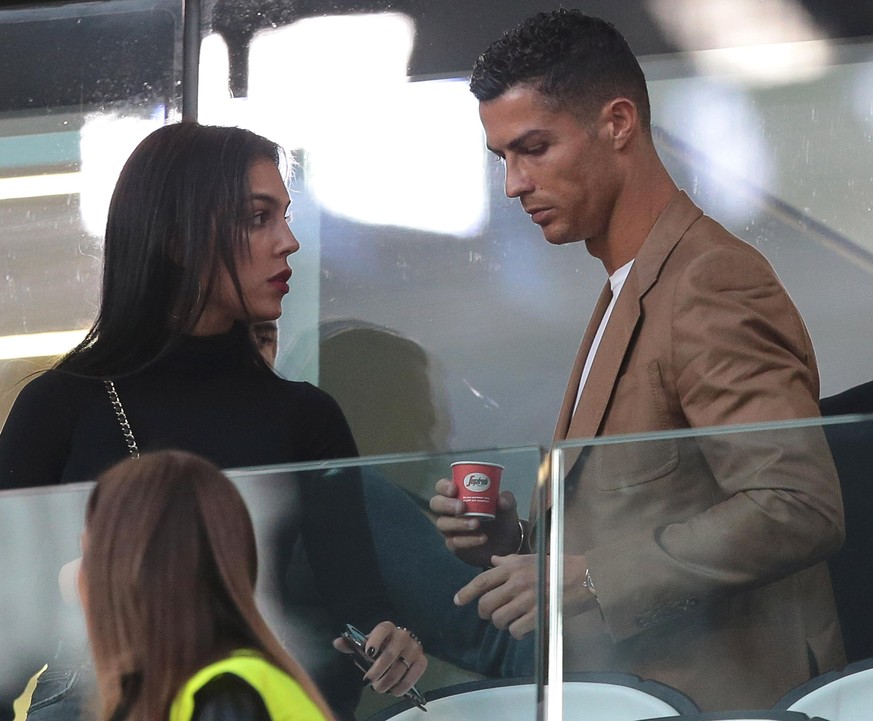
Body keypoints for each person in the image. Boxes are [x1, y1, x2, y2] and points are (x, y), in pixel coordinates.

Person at [430, 9, 844, 711]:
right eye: (502, 157)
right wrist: (517, 540)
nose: (513, 184)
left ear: (617, 122)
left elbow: (798, 506)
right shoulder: (632, 283)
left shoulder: (708, 280)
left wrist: (587, 578)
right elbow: (651, 504)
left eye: (533, 147)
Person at [0, 121, 424, 719]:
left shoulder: (304, 417)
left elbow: (356, 615)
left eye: (284, 214)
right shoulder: (61, 405)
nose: (289, 241)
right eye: (258, 218)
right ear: (177, 237)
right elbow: (6, 630)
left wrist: (388, 645)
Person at [79, 449, 334, 721]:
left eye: (88, 556)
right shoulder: (191, 690)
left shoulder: (225, 696)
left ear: (128, 578)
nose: (77, 577)